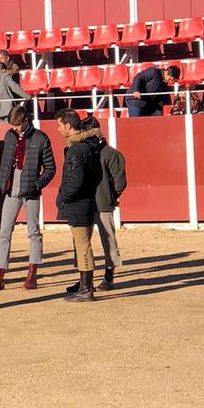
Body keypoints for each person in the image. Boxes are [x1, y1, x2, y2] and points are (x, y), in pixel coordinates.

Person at [0, 106, 56, 291]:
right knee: (4, 232)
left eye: (17, 125)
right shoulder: (10, 136)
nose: (15, 128)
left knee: (34, 232)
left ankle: (32, 274)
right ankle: (0, 274)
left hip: (31, 191)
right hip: (12, 189)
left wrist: (37, 185)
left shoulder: (40, 138)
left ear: (25, 121)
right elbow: (5, 162)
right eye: (12, 125)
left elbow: (50, 168)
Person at [66, 117, 128, 292]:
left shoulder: (108, 154)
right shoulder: (103, 153)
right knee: (82, 241)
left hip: (100, 203)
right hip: (87, 203)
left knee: (106, 240)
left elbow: (119, 182)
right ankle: (85, 279)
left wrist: (110, 196)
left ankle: (108, 277)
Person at [54, 110, 103, 302]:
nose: (58, 129)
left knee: (83, 246)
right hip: (88, 200)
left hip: (78, 203)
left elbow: (74, 181)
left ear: (68, 126)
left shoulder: (76, 150)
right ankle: (85, 286)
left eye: (59, 125)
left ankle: (85, 289)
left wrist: (63, 198)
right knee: (83, 244)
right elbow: (96, 176)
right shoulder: (91, 147)